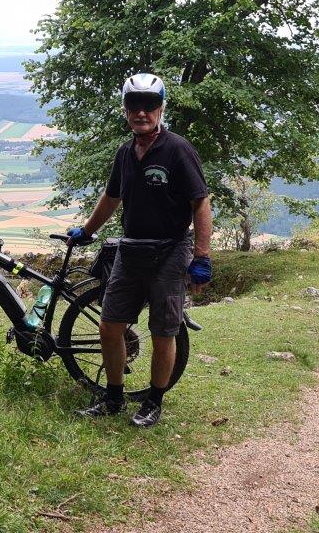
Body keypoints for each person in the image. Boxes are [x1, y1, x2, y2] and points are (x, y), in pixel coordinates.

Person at [66, 73, 213, 428]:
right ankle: (113, 396)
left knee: (163, 331)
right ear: (126, 110)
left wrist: (202, 256)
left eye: (149, 106)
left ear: (161, 109)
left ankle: (153, 401)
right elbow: (112, 197)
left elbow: (201, 202)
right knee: (109, 326)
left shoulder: (178, 149)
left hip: (170, 251)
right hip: (131, 250)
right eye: (134, 106)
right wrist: (87, 230)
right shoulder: (124, 153)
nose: (141, 112)